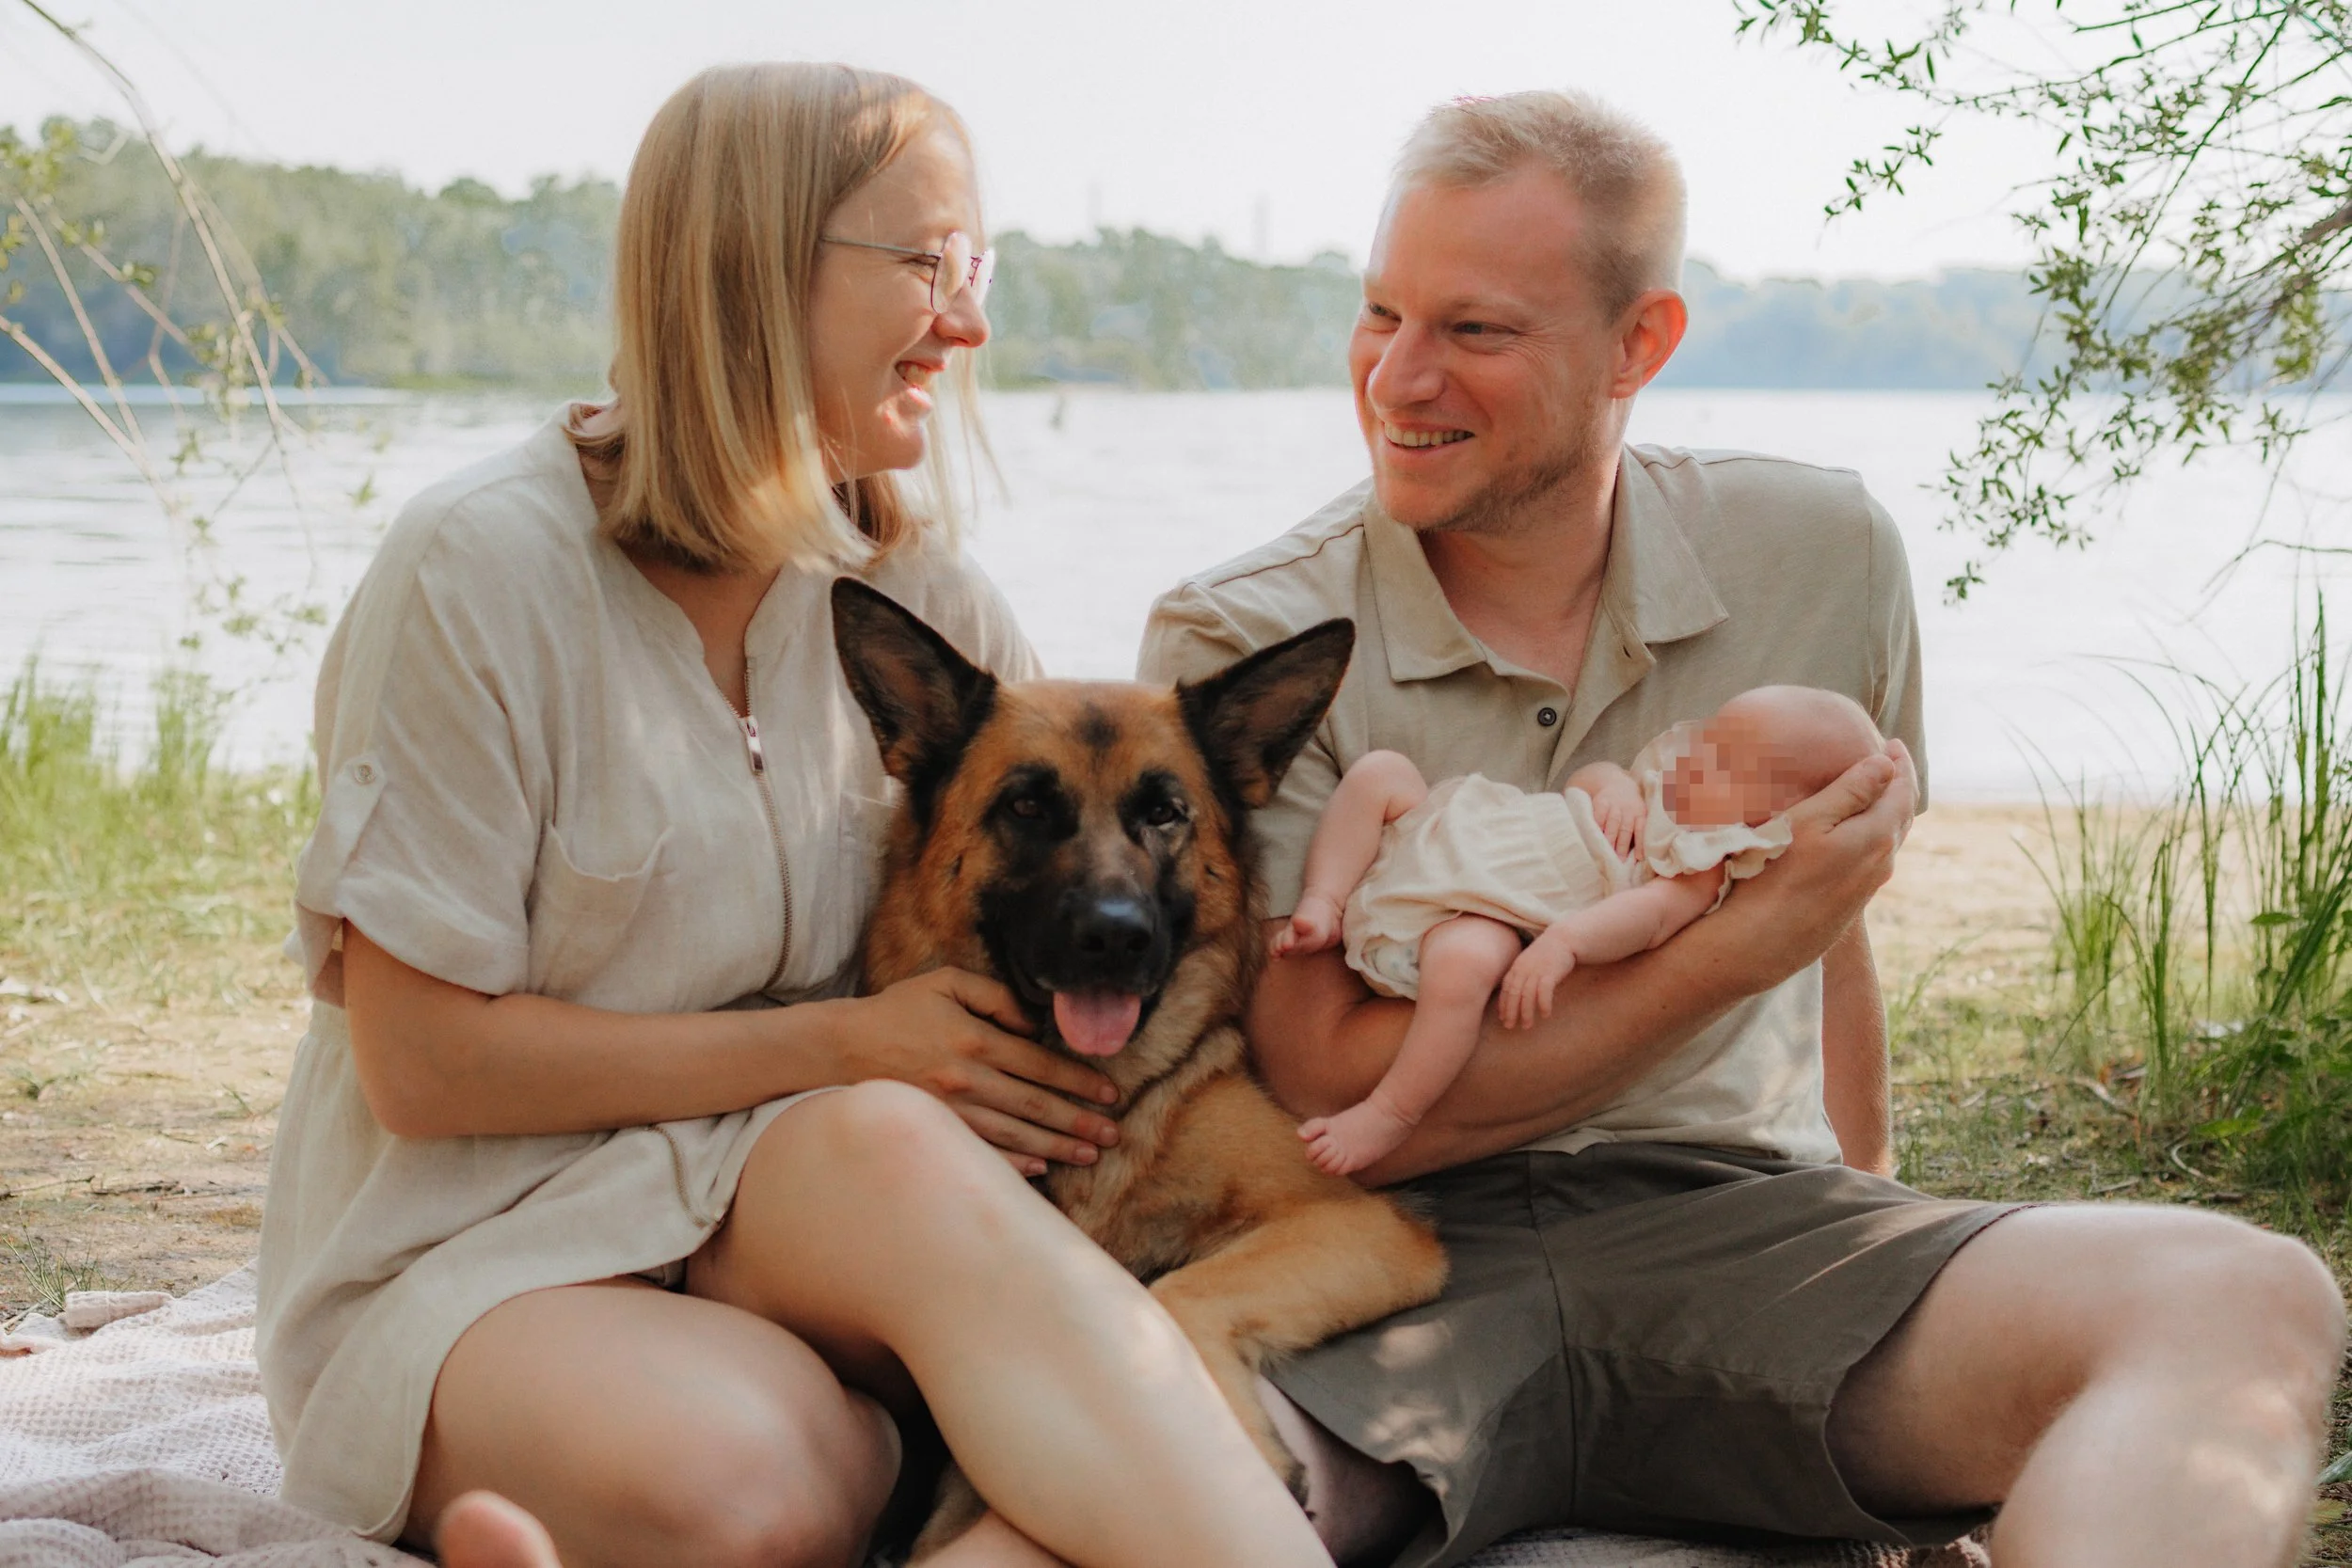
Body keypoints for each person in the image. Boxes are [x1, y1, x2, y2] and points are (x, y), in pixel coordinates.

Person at [1139, 89, 2346, 1568]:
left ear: (1642, 344)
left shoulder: (1822, 554)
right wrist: (1723, 953)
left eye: (1476, 330)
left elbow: (1836, 954)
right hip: (1383, 1262)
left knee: (2248, 1293)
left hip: (1747, 1228)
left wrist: (1877, 1231)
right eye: (1380, 312)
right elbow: (1330, 1070)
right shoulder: (1240, 633)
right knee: (1108, 1490)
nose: (1398, 374)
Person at [255, 64, 1335, 1568]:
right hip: (485, 1246)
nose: (968, 321)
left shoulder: (929, 602)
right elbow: (423, 1065)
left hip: (804, 1215)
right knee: (757, 1483)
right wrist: (840, 1047)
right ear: (757, 271)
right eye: (928, 264)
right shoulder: (476, 572)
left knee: (892, 1171)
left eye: (979, 267)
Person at [1280, 687, 1883, 1176]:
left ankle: (1391, 1112)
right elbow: (1590, 777)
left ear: (1771, 817)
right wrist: (1613, 785)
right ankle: (1324, 899)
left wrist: (1565, 943)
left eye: (1730, 765)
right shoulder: (1662, 782)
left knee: (1463, 968)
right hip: (1458, 828)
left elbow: (1643, 921)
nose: (1700, 758)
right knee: (1380, 773)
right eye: (1713, 736)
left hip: (1476, 910)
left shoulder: (1700, 869)